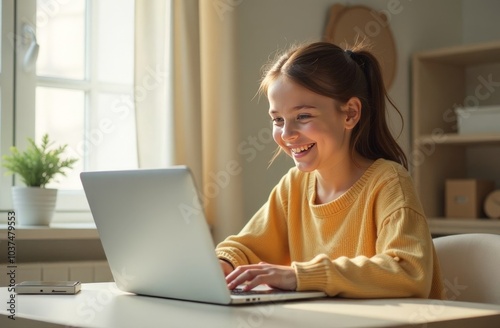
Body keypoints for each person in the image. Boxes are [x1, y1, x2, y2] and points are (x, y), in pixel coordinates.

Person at [215, 41, 444, 299]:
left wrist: (300, 276)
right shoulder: (295, 185)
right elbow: (246, 247)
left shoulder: (390, 182)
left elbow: (409, 272)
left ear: (350, 113)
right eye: (278, 120)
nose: (287, 134)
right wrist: (221, 265)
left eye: (303, 116)